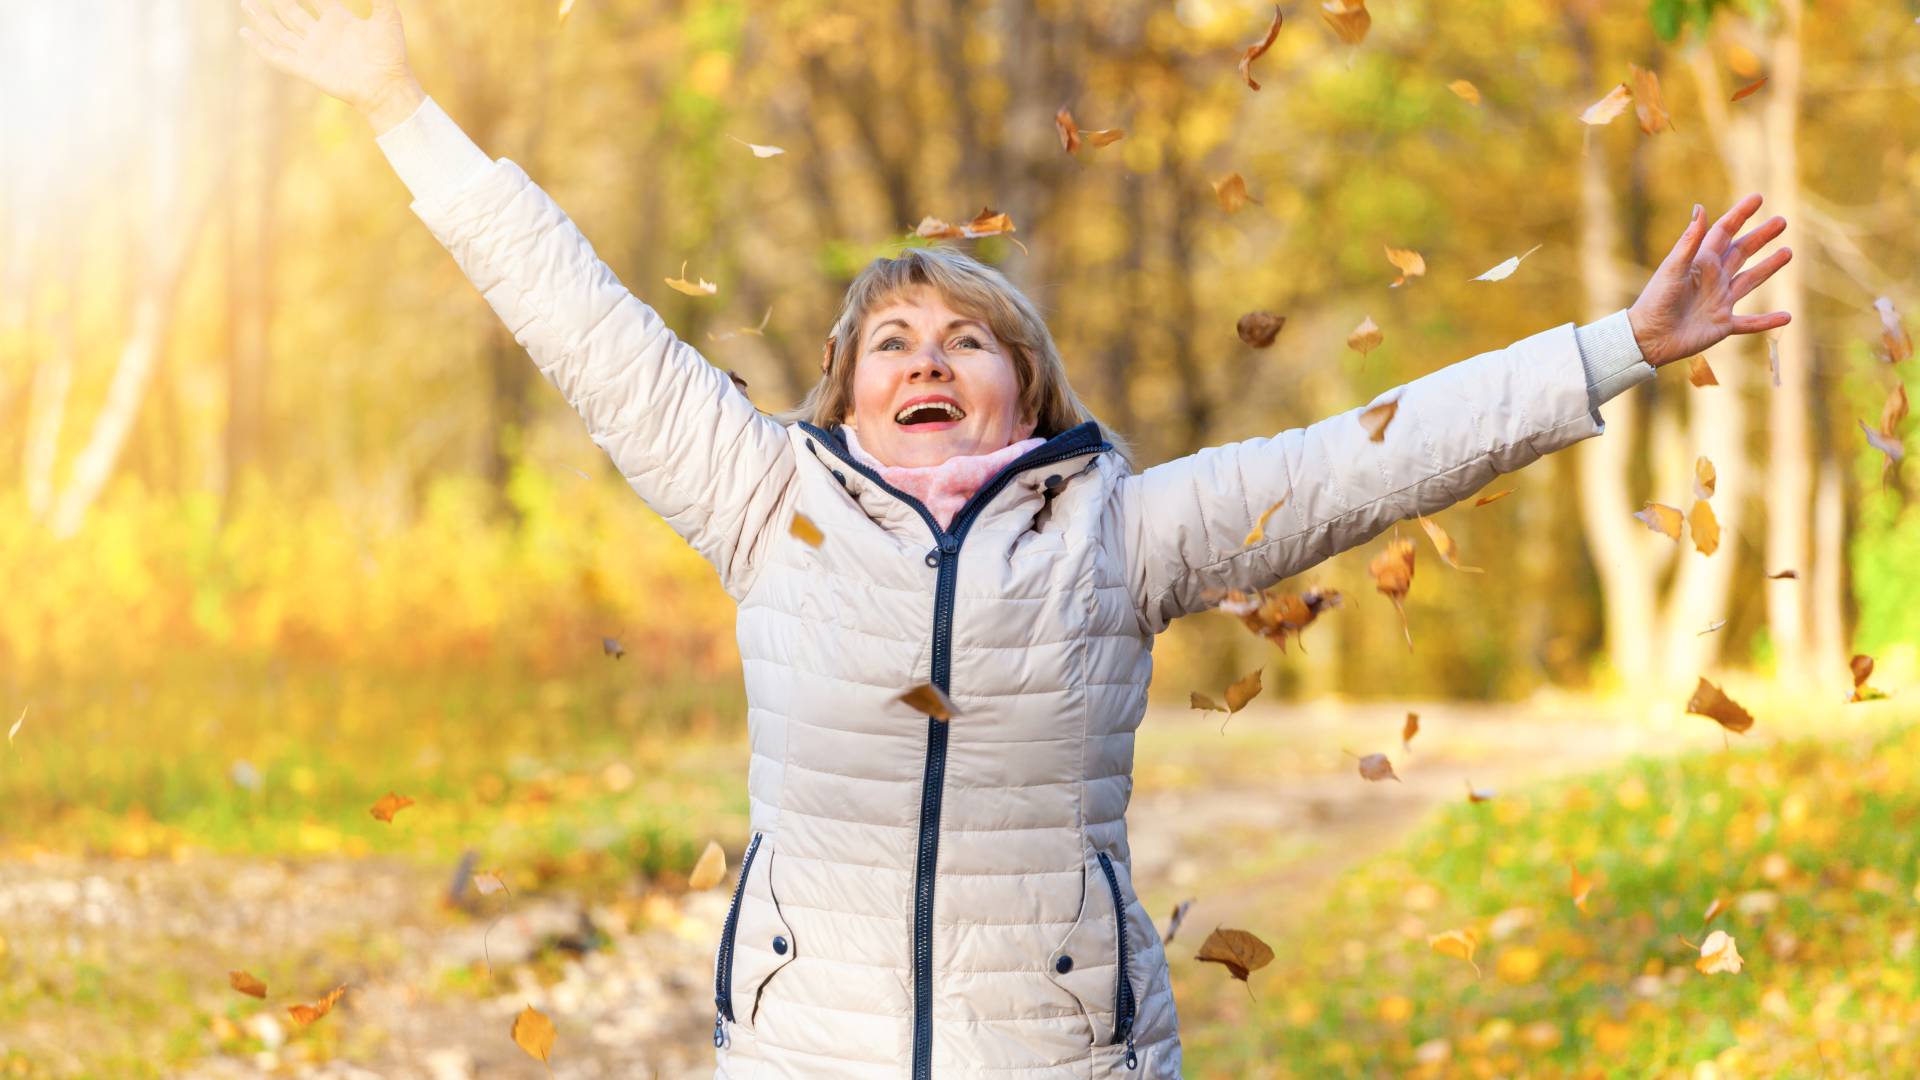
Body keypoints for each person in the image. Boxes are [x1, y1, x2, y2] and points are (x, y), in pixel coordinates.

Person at [239, 2, 1793, 1075]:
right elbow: (573, 313)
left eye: (967, 339)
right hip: (806, 1059)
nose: (925, 357)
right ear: (843, 393)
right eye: (891, 339)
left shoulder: (1119, 535)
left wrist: (1611, 349)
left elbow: (1364, 464)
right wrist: (397, 104)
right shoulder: (758, 497)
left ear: (1028, 391)